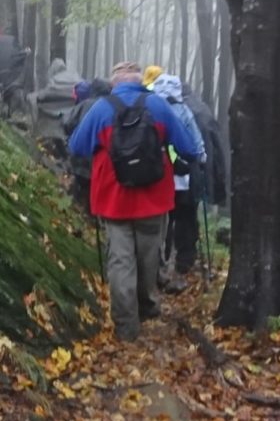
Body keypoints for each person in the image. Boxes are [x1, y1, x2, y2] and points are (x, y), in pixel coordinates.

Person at [68, 60, 200, 342]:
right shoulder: (159, 106)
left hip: (113, 199)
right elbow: (188, 147)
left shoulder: (101, 108)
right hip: (154, 198)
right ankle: (147, 306)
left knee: (120, 260)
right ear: (140, 82)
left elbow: (76, 146)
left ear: (114, 83)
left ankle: (126, 325)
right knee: (148, 257)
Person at [151, 73, 206, 290]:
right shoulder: (183, 111)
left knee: (161, 223)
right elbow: (196, 145)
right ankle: (183, 265)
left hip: (155, 177)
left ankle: (159, 265)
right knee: (185, 220)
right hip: (182, 179)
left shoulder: (149, 109)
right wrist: (201, 160)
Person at [63, 78, 112, 212]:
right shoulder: (112, 106)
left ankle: (79, 212)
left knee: (81, 188)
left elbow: (67, 123)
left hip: (81, 158)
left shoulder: (84, 105)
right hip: (102, 160)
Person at [181, 82, 228, 208]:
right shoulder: (203, 109)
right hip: (204, 167)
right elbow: (217, 144)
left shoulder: (181, 109)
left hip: (186, 169)